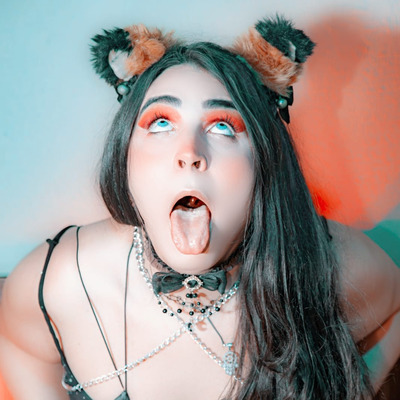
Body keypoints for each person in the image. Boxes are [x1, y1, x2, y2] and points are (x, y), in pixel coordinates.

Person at [0, 16, 399, 400]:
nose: (189, 152)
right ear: (125, 155)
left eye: (222, 126)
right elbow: (21, 345)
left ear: (265, 159)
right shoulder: (59, 282)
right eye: (161, 123)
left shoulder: (329, 263)